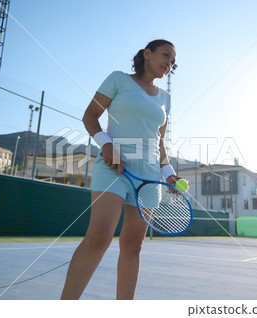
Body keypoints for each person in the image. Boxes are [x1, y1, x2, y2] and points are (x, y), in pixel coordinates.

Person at [60, 39, 180, 300]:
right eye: (165, 56)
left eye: (172, 62)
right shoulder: (118, 79)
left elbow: (158, 140)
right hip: (113, 168)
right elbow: (90, 116)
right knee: (99, 237)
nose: (168, 64)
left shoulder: (165, 99)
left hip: (149, 176)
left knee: (133, 246)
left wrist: (167, 171)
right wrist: (106, 145)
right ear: (147, 54)